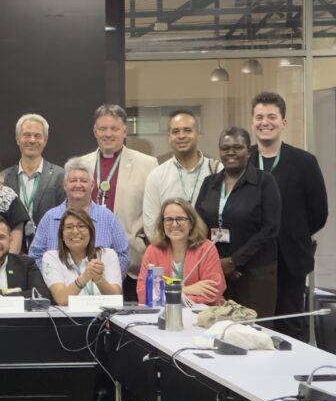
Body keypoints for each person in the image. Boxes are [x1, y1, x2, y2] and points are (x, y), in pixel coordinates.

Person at [249, 92, 328, 340]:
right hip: (251, 263)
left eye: (272, 116)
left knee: (291, 327)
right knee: (253, 327)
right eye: (259, 117)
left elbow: (318, 213)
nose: (265, 122)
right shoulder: (242, 160)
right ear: (252, 122)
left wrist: (294, 233)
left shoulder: (304, 162)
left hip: (291, 260)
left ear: (283, 122)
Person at [196, 127, 281, 317]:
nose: (231, 152)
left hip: (256, 272)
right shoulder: (210, 183)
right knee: (217, 329)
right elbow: (198, 225)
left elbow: (270, 228)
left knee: (255, 331)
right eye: (225, 148)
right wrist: (217, 263)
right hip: (216, 271)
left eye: (238, 147)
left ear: (248, 151)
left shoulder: (264, 182)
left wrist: (235, 261)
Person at [81, 104, 157, 299]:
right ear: (94, 131)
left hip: (132, 262)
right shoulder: (81, 164)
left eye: (114, 129)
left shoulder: (147, 164)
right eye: (102, 128)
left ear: (125, 131)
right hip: (87, 262)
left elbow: (154, 215)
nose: (108, 134)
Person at [29, 157, 130, 277]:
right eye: (72, 181)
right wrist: (53, 281)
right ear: (65, 185)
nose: (78, 185)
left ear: (92, 185)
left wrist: (106, 281)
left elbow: (123, 256)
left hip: (99, 292)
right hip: (58, 292)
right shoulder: (49, 218)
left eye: (83, 181)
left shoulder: (108, 218)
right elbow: (35, 256)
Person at [142, 110, 222, 240]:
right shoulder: (156, 176)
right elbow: (151, 226)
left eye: (187, 130)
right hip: (170, 255)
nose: (181, 136)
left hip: (210, 252)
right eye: (175, 132)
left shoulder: (217, 171)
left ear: (198, 135)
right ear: (169, 137)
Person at [138, 198, 225, 306]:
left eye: (180, 219)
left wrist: (166, 296)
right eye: (169, 219)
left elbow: (212, 293)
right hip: (161, 316)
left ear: (191, 223)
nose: (174, 224)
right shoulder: (153, 250)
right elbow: (143, 293)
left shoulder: (206, 249)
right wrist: (186, 289)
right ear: (162, 224)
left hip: (199, 318)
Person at [1, 113, 66, 251]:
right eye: (26, 135)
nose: (31, 140)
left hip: (50, 251)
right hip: (13, 253)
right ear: (17, 139)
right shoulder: (2, 178)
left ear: (45, 140)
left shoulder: (60, 176)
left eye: (37, 136)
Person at [40, 208, 122, 306]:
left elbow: (116, 299)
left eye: (81, 226)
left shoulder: (108, 255)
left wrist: (99, 280)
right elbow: (61, 299)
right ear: (61, 235)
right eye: (69, 227)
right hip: (67, 319)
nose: (75, 231)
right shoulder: (51, 257)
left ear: (90, 232)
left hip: (104, 318)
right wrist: (84, 277)